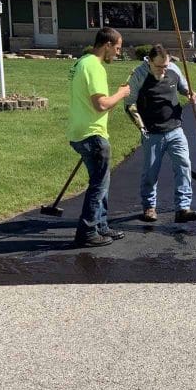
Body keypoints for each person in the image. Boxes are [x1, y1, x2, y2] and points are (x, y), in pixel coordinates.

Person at [67, 27, 130, 247]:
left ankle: (101, 226)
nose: (118, 53)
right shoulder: (94, 66)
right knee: (98, 185)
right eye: (118, 48)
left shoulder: (81, 63)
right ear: (107, 45)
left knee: (102, 181)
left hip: (79, 131)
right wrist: (121, 94)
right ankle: (87, 232)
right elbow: (101, 104)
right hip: (92, 134)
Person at [124, 44, 196, 223]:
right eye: (158, 67)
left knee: (184, 165)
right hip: (152, 133)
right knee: (151, 172)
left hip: (175, 129)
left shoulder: (173, 69)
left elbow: (184, 89)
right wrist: (142, 129)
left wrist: (191, 94)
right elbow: (129, 105)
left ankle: (183, 208)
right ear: (149, 61)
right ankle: (149, 207)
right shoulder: (139, 75)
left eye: (165, 66)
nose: (163, 70)